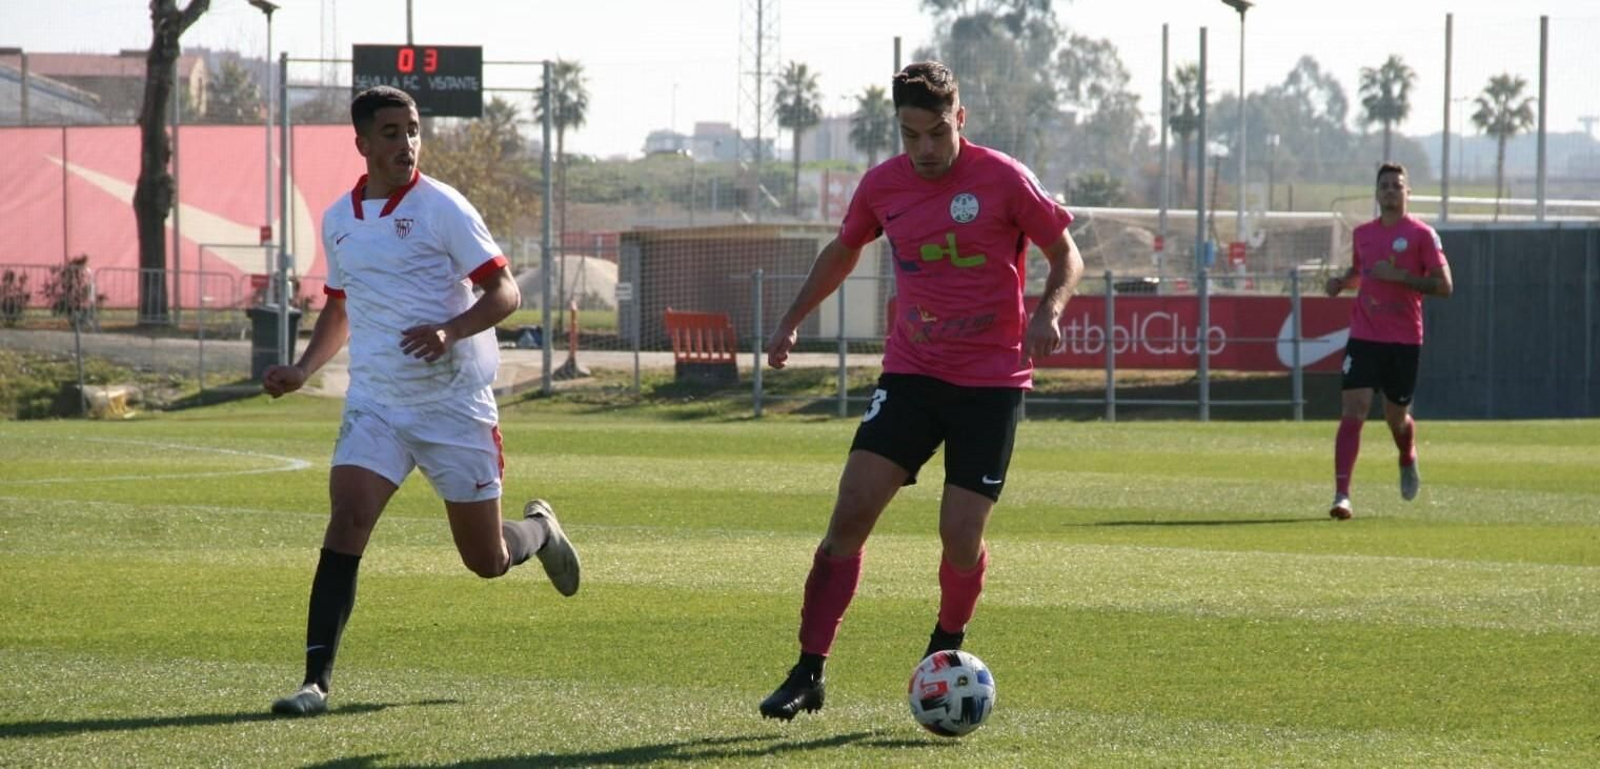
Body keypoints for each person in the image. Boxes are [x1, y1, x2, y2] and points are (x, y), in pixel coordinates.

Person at [757, 61, 1083, 721]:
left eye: (937, 133)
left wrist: (1049, 310)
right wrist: (792, 318)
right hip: (912, 373)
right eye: (912, 136)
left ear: (959, 119)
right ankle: (808, 669)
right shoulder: (883, 187)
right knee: (850, 512)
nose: (926, 149)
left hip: (990, 382)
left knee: (959, 536)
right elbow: (843, 249)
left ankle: (945, 649)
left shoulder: (1004, 178)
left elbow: (1066, 253)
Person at [262, 86, 581, 716]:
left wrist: (450, 330)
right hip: (377, 401)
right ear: (362, 143)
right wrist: (302, 368)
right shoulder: (337, 219)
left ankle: (540, 531)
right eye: (390, 131)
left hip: (453, 404)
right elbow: (341, 306)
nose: (405, 142)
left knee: (485, 561)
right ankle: (314, 684)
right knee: (347, 519)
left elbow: (506, 292)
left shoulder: (443, 208)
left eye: (411, 129)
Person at [1324, 161, 1453, 520]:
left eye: (1397, 186)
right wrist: (1340, 283)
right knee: (1354, 410)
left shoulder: (1422, 236)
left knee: (1396, 418)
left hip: (1403, 340)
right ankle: (1342, 494)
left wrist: (1401, 276)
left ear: (1407, 192)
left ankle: (1407, 454)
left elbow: (1444, 286)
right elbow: (1359, 274)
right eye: (1384, 186)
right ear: (1376, 193)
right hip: (1364, 335)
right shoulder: (1363, 234)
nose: (1390, 191)